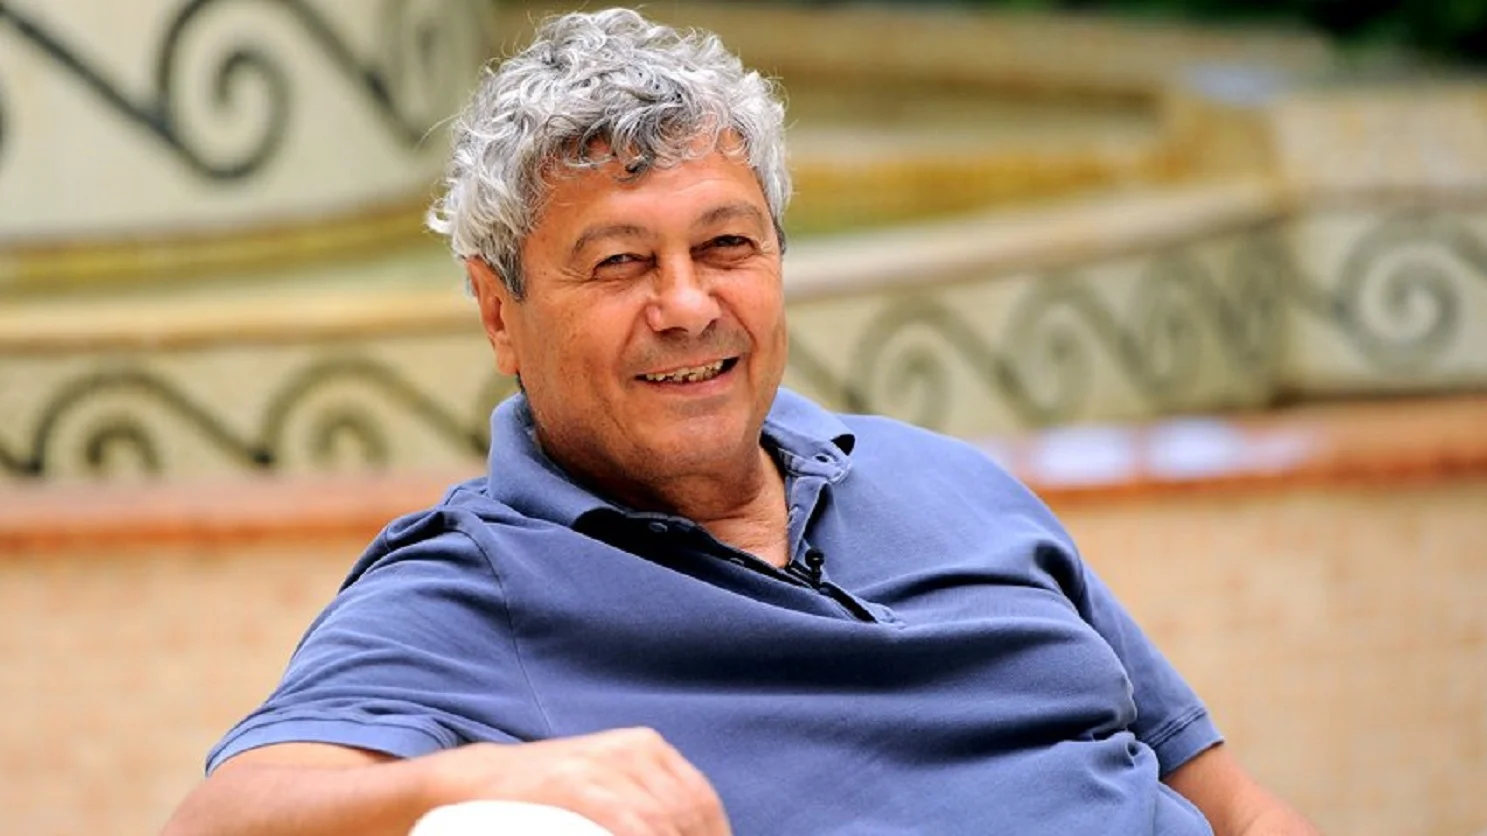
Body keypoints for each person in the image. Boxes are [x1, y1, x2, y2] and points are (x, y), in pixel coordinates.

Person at [163, 8, 1319, 835]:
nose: (686, 305)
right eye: (619, 263)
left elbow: (1233, 804)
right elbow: (219, 818)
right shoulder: (476, 586)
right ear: (498, 312)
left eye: (725, 245)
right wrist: (461, 781)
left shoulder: (945, 479)